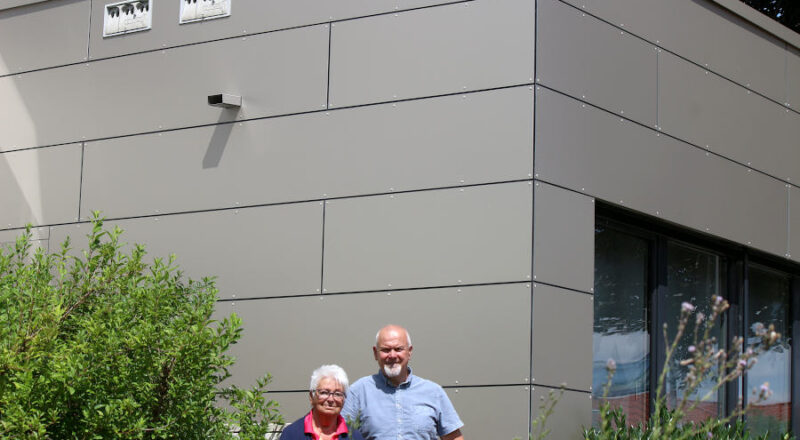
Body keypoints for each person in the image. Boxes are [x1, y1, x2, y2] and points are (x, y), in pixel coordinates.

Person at [342, 325, 465, 440]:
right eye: (385, 350)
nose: (392, 355)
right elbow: (341, 435)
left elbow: (454, 437)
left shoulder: (433, 392)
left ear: (409, 351)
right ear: (375, 353)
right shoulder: (358, 392)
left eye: (398, 349)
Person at [280, 364, 366, 440]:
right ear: (311, 396)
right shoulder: (292, 434)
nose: (331, 399)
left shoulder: (354, 436)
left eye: (337, 394)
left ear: (344, 399)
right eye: (324, 392)